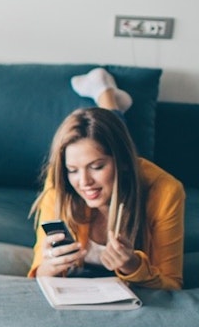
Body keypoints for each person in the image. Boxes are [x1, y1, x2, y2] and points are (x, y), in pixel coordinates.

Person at [28, 68, 184, 290]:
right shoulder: (60, 182)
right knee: (109, 132)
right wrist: (48, 269)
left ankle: (105, 92)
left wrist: (134, 265)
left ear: (122, 163)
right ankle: (105, 93)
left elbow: (172, 285)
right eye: (73, 169)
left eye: (97, 167)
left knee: (116, 138)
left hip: (132, 173)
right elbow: (39, 269)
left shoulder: (166, 191)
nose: (83, 181)